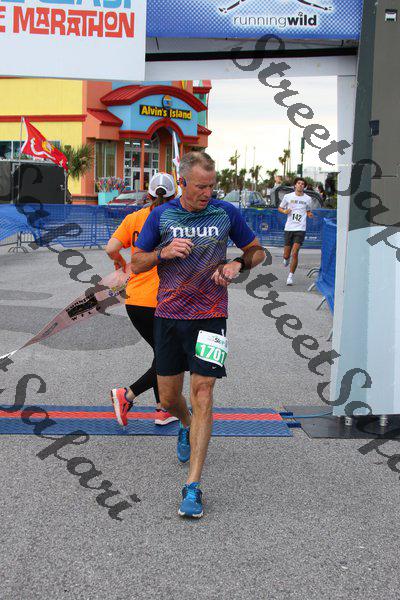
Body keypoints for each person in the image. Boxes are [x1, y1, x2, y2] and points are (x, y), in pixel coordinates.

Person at [131, 151, 265, 518]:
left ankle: (192, 486)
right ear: (182, 183)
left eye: (212, 186)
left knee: (203, 393)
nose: (208, 193)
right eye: (201, 187)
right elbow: (136, 262)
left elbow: (258, 251)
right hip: (169, 316)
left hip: (211, 317)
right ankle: (186, 424)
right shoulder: (162, 215)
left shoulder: (225, 213)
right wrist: (162, 253)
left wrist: (238, 262)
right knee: (168, 398)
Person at [105, 172, 179, 427]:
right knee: (170, 356)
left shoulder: (134, 218)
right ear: (175, 195)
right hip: (163, 301)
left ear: (148, 194)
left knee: (162, 354)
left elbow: (111, 248)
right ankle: (127, 395)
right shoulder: (176, 219)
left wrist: (120, 263)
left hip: (135, 300)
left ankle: (162, 409)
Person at [278, 177, 313, 286]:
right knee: (286, 255)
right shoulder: (288, 197)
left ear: (304, 187)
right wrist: (285, 211)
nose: (300, 185)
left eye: (302, 184)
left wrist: (309, 214)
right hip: (289, 228)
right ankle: (286, 258)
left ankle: (290, 276)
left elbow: (308, 210)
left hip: (300, 228)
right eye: (298, 183)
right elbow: (280, 208)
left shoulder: (308, 199)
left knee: (295, 252)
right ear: (295, 185)